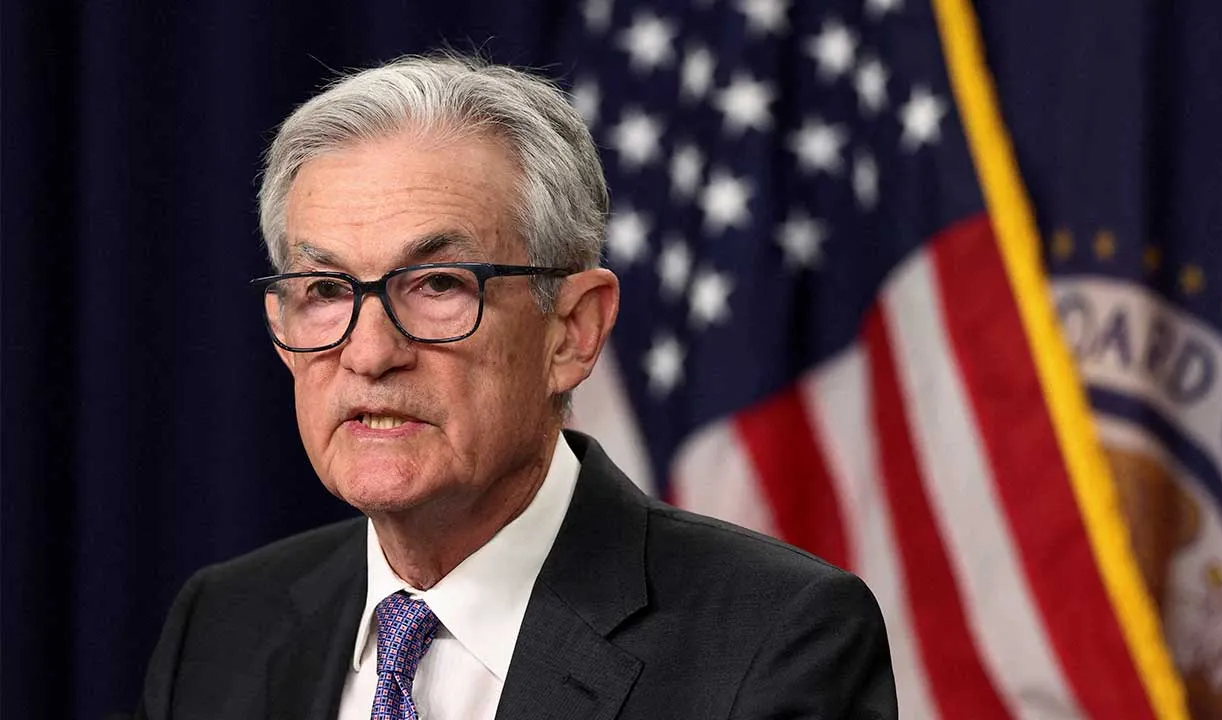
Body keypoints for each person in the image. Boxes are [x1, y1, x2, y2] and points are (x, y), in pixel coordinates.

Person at [137, 53, 896, 720]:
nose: (369, 353)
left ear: (572, 330)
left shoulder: (776, 639)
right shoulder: (222, 626)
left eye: (438, 284)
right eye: (327, 291)